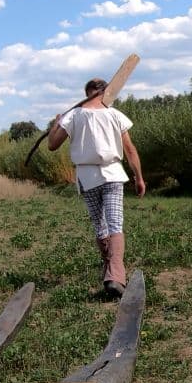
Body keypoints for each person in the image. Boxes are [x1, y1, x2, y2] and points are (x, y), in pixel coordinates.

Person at [47, 77, 145, 297]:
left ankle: (111, 274)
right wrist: (139, 177)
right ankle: (115, 277)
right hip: (112, 174)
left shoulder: (73, 115)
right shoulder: (114, 114)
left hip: (87, 176)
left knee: (101, 226)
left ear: (87, 92)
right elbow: (130, 150)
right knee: (115, 224)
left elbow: (52, 145)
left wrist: (56, 125)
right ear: (105, 92)